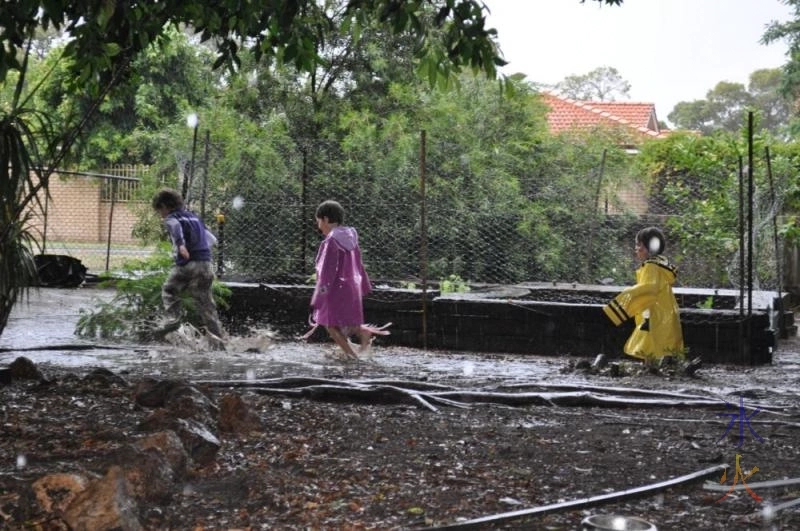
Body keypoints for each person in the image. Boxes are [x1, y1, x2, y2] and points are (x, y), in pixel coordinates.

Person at [309, 200, 386, 359]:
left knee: (330, 325)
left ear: (325, 219)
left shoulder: (331, 241)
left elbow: (326, 272)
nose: (318, 227)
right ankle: (363, 334)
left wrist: (320, 294)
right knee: (347, 322)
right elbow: (359, 263)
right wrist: (364, 285)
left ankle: (352, 357)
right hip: (353, 288)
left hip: (335, 290)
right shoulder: (352, 237)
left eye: (318, 222)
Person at [152, 188, 226, 349]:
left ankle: (173, 320)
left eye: (160, 211)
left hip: (187, 263)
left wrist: (181, 245)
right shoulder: (194, 218)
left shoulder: (172, 218)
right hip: (205, 265)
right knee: (206, 305)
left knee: (169, 290)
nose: (161, 215)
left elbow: (175, 226)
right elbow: (212, 239)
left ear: (165, 206)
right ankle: (219, 344)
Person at [603, 226, 684, 362]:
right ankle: (658, 366)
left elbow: (649, 288)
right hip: (666, 312)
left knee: (649, 342)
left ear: (648, 248)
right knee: (660, 344)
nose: (636, 249)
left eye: (638, 245)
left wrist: (628, 294)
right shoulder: (660, 265)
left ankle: (651, 367)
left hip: (654, 314)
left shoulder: (650, 266)